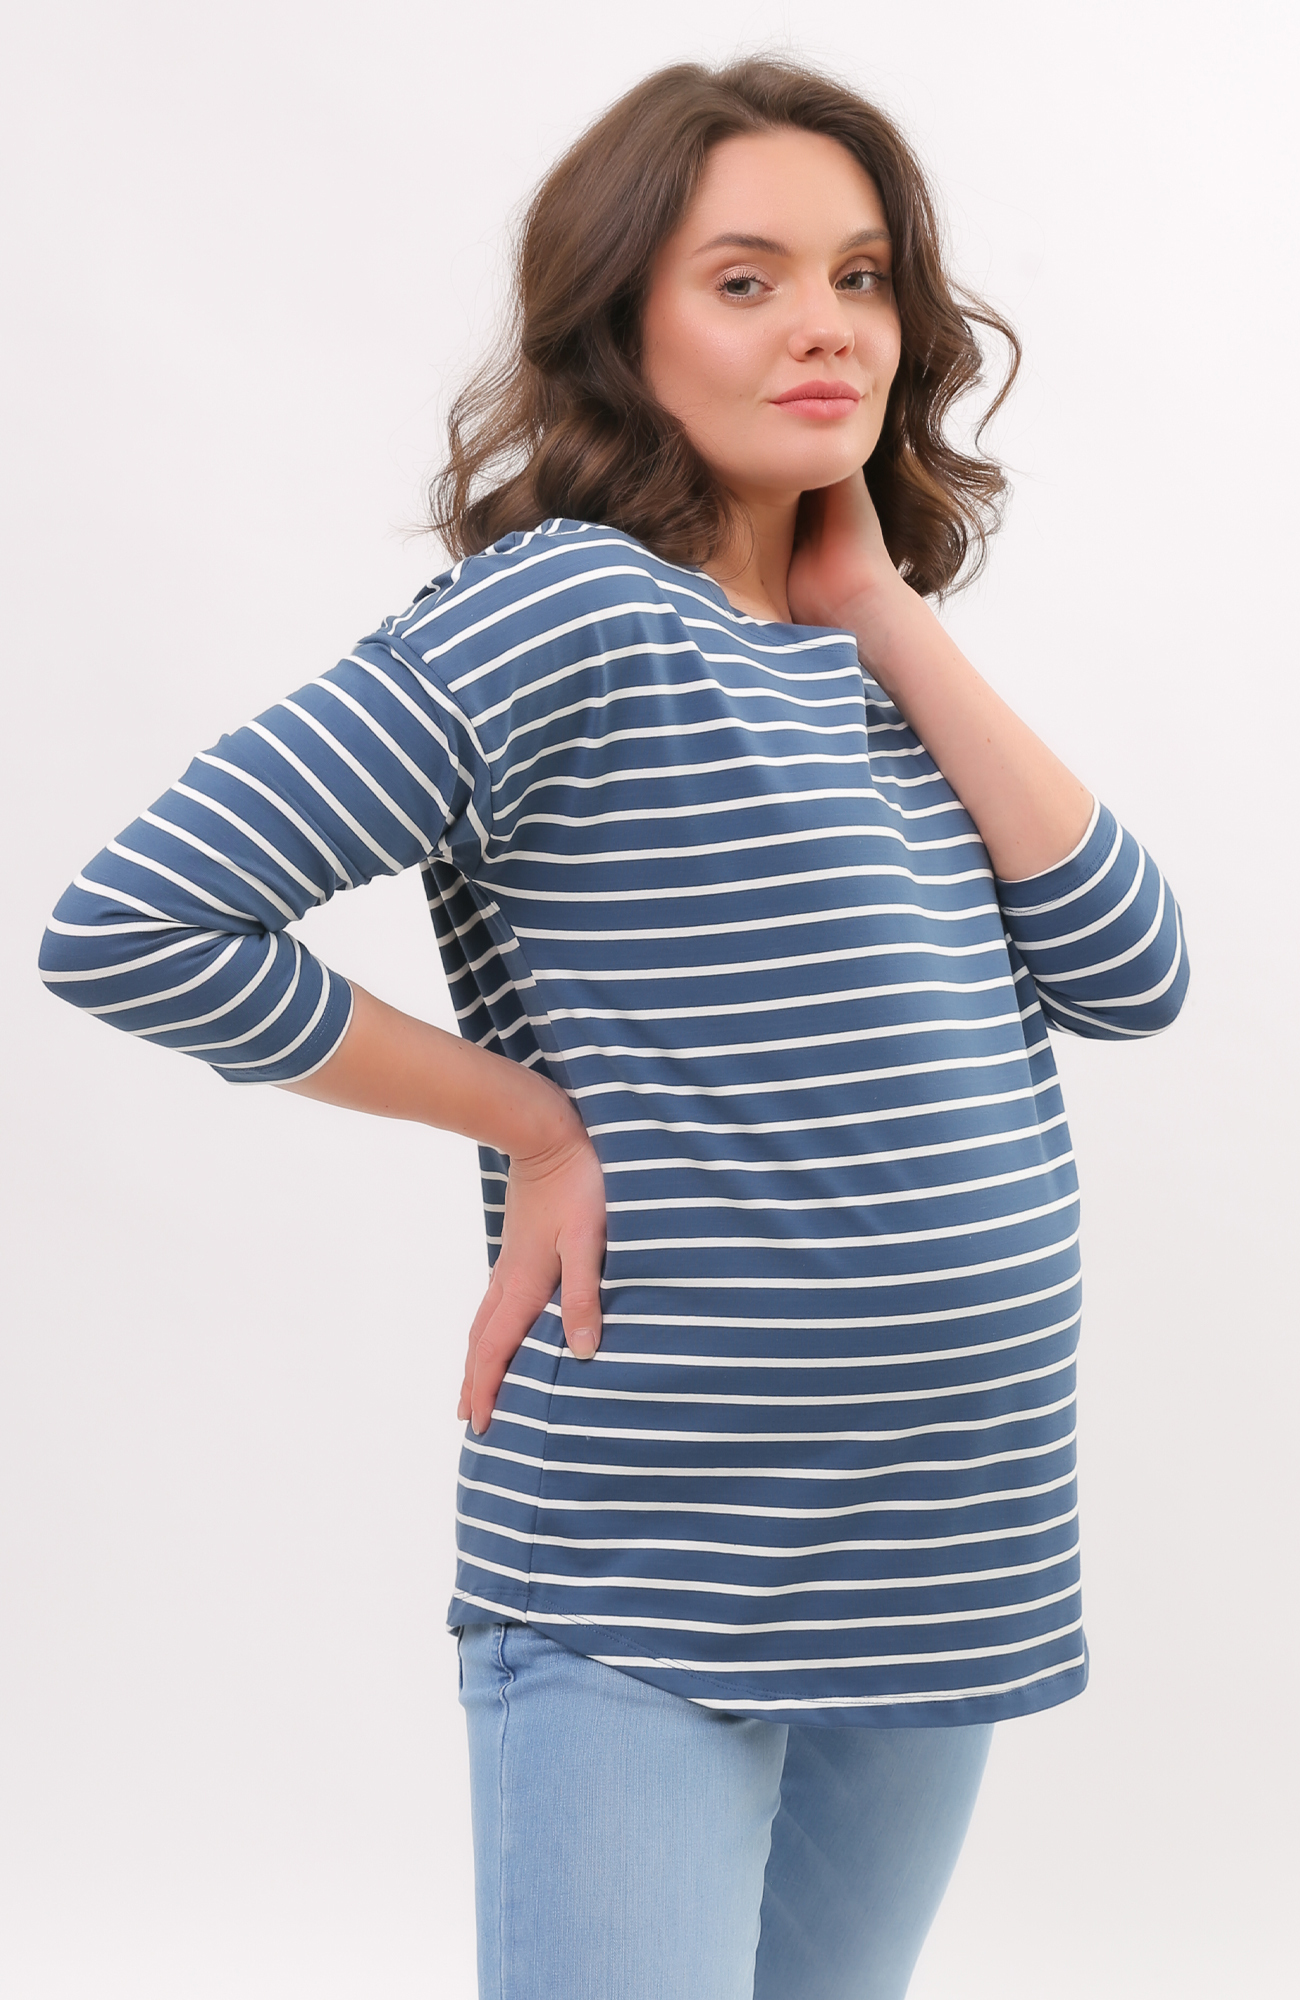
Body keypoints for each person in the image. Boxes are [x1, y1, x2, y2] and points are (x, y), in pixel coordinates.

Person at [39, 55, 1189, 2000]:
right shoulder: (565, 611)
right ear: (617, 325)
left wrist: (885, 610)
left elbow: (1129, 969)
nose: (824, 322)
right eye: (745, 279)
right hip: (650, 1568)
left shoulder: (864, 665)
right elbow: (137, 923)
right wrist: (530, 1119)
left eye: (861, 275)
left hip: (933, 1564)